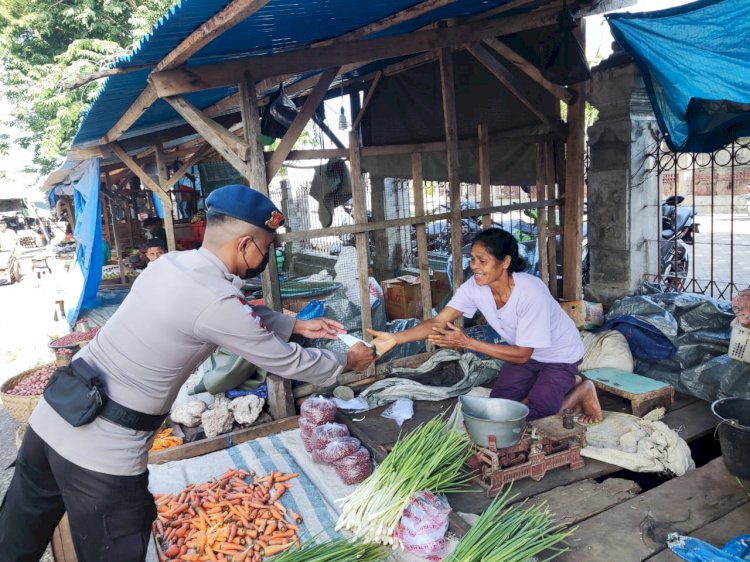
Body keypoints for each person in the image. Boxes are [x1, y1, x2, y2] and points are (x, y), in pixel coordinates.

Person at [0, 184, 376, 561]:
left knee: (15, 538)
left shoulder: (172, 265)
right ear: (246, 244)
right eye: (266, 247)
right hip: (102, 456)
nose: (265, 255)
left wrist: (295, 324)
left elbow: (224, 316)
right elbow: (286, 360)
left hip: (52, 421)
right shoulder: (216, 299)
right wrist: (346, 361)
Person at [369, 228, 602, 424]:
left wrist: (467, 342)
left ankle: (582, 389)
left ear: (505, 262)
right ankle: (564, 383)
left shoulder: (531, 293)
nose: (475, 267)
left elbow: (522, 355)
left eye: (483, 261)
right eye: (472, 259)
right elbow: (439, 321)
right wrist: (396, 338)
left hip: (558, 355)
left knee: (539, 412)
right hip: (525, 352)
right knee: (499, 404)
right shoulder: (475, 287)